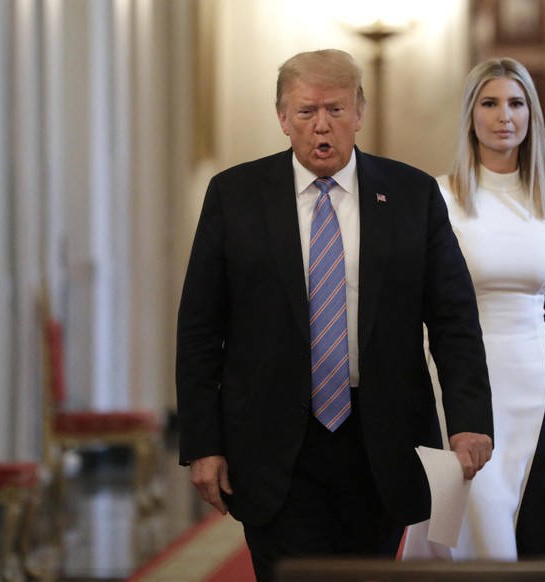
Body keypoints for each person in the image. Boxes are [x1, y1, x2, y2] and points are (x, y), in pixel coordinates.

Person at [175, 49, 494, 582]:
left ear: (359, 113)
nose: (321, 126)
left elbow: (453, 318)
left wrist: (468, 422)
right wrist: (203, 445)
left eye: (336, 110)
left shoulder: (414, 195)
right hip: (272, 443)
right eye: (306, 112)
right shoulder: (235, 197)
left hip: (380, 443)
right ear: (282, 118)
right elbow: (201, 331)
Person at [402, 58, 545, 580]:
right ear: (470, 115)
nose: (504, 116)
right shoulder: (441, 197)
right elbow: (417, 312)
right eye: (490, 103)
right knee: (472, 537)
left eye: (516, 103)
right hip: (461, 389)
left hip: (542, 389)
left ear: (531, 115)